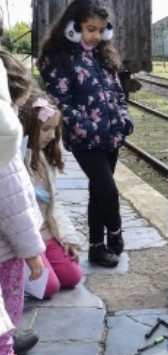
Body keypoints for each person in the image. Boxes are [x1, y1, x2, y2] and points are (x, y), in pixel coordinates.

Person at [37, 0, 134, 268]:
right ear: (72, 26)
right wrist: (92, 127)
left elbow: (117, 93)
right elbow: (61, 103)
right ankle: (115, 233)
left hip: (112, 137)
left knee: (98, 191)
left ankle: (96, 247)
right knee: (107, 189)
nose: (96, 36)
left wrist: (125, 118)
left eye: (101, 30)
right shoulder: (56, 57)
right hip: (85, 140)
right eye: (90, 28)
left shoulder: (103, 53)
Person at [0, 51, 50, 355]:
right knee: (5, 310)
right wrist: (33, 252)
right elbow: (14, 207)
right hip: (8, 248)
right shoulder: (3, 151)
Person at [20, 93, 84, 299]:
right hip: (28, 239)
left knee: (73, 276)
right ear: (28, 127)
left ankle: (47, 262)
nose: (52, 135)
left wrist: (66, 237)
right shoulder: (17, 163)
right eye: (46, 129)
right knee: (49, 288)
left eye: (55, 129)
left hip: (46, 233)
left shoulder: (42, 161)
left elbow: (54, 203)